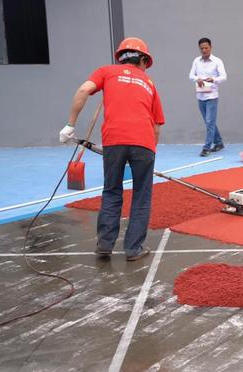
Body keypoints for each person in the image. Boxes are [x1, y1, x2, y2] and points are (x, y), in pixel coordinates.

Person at [59, 37, 165, 261]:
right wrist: (150, 151)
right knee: (141, 196)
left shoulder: (106, 72)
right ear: (143, 60)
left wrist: (70, 125)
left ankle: (105, 244)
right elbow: (156, 126)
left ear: (121, 57)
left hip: (114, 141)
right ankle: (133, 249)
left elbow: (82, 91)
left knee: (112, 190)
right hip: (144, 142)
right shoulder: (150, 83)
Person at [189, 37, 227, 157]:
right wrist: (197, 79)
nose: (204, 50)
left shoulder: (217, 61)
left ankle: (207, 147)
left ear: (211, 47)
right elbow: (190, 75)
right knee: (208, 122)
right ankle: (219, 142)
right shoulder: (196, 61)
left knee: (210, 121)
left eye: (206, 48)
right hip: (200, 95)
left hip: (212, 96)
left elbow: (224, 76)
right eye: (202, 48)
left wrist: (214, 79)